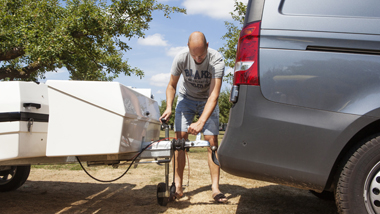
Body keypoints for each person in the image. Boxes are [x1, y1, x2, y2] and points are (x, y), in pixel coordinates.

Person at [159, 31, 227, 203]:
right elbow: (171, 85)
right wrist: (169, 107)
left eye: (201, 54)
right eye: (194, 55)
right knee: (179, 141)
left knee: (211, 142)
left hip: (207, 99)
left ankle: (215, 189)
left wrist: (201, 121)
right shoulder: (181, 58)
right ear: (188, 47)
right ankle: (178, 186)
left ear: (208, 45)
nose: (198, 59)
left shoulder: (217, 60)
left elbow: (214, 95)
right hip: (186, 99)